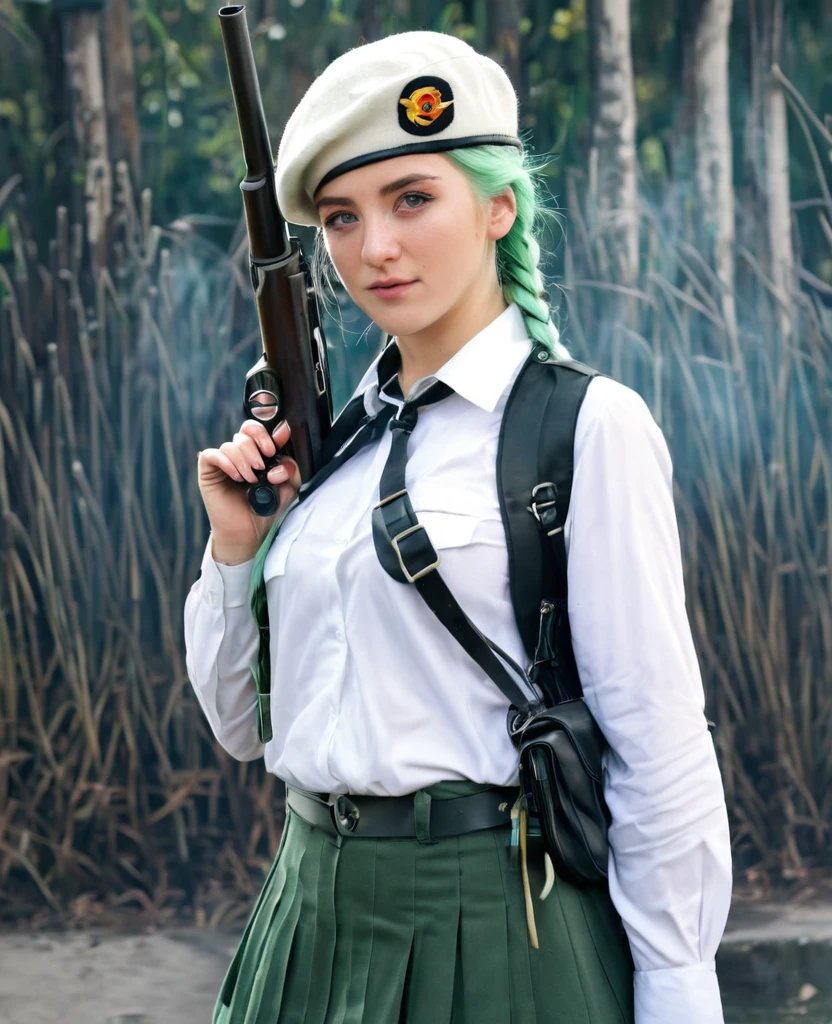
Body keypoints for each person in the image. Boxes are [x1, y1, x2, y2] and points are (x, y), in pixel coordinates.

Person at [184, 29, 732, 1024]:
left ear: (497, 206)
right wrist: (237, 548)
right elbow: (242, 727)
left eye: (411, 199)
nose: (374, 248)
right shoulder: (332, 455)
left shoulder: (580, 428)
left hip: (497, 926)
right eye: (342, 218)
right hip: (302, 924)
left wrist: (678, 995)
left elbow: (659, 749)